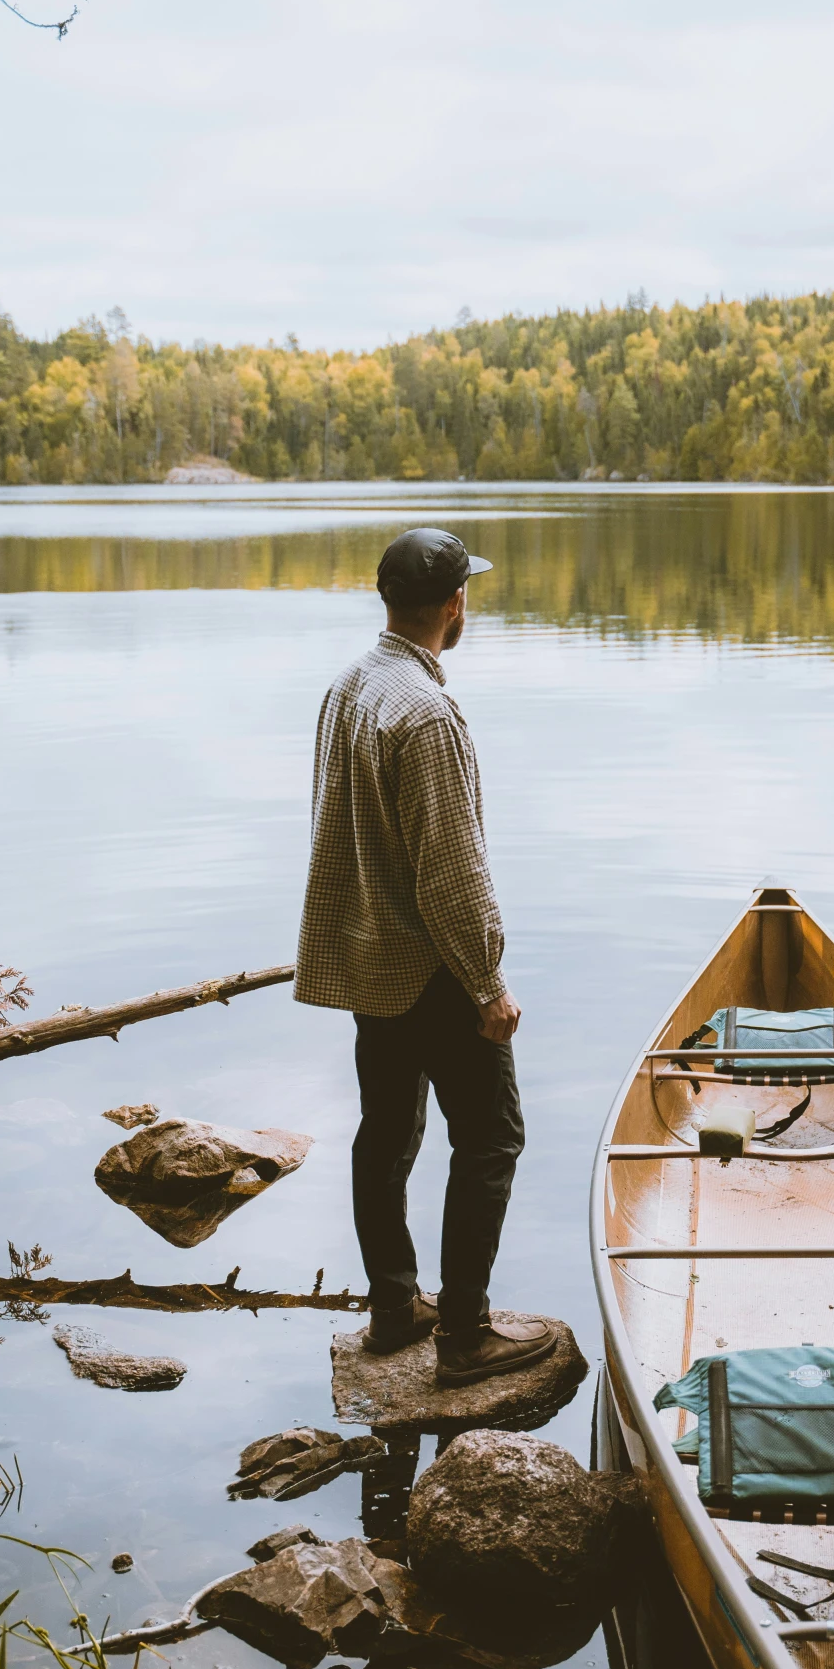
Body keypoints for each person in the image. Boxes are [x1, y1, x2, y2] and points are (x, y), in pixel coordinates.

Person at [294, 528, 553, 1384]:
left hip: (371, 961)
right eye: (465, 593)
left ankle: (392, 1310)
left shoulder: (350, 686)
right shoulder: (428, 714)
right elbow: (451, 872)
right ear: (453, 606)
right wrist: (488, 985)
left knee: (386, 1138)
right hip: (434, 967)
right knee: (490, 1142)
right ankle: (465, 1337)